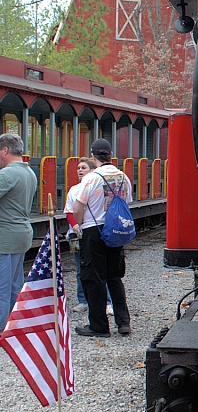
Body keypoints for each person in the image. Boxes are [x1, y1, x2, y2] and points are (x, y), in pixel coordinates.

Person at [71, 138, 133, 338]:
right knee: (114, 277)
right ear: (110, 154)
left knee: (93, 278)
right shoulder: (123, 176)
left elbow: (78, 207)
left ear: (93, 156)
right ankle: (123, 322)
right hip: (115, 231)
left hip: (94, 231)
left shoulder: (91, 178)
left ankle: (98, 325)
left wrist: (80, 224)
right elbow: (126, 202)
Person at [64, 157, 113, 314]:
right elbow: (69, 211)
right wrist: (75, 225)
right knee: (80, 268)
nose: (79, 170)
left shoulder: (99, 188)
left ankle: (107, 301)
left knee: (100, 268)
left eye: (83, 167)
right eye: (78, 168)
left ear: (92, 170)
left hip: (93, 231)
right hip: (78, 232)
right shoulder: (73, 190)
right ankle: (83, 299)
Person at [0, 133, 38, 333]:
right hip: (22, 233)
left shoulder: (7, 174)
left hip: (5, 237)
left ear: (5, 150)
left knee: (2, 288)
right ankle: (15, 326)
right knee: (16, 285)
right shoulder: (29, 172)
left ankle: (2, 329)